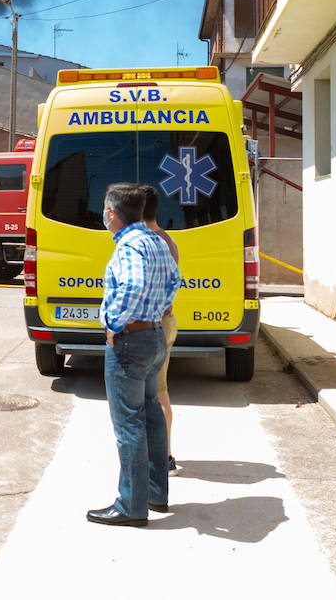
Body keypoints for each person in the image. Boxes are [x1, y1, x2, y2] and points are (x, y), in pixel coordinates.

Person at [87, 182, 181, 527]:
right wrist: (155, 311)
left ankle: (131, 505)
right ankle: (156, 493)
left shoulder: (129, 246)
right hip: (154, 334)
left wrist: (113, 322)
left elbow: (134, 285)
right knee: (152, 417)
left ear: (112, 213)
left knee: (129, 424)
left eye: (105, 210)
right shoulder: (157, 241)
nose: (104, 215)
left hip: (130, 341)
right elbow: (175, 279)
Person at [137, 184, 180, 475]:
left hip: (153, 325)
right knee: (158, 391)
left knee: (157, 393)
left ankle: (163, 458)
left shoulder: (147, 244)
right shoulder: (169, 241)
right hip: (167, 321)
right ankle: (162, 454)